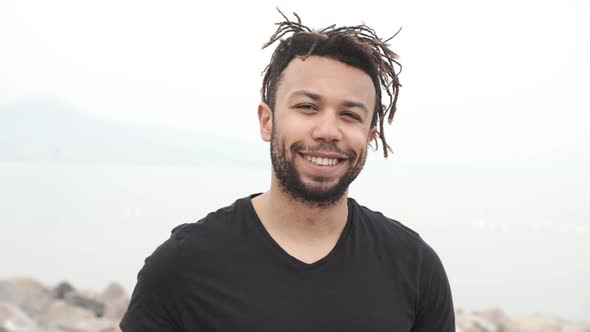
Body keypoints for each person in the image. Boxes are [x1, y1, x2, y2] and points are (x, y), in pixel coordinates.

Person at [120, 10, 455, 332]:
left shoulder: (414, 266)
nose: (328, 130)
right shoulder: (183, 266)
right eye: (307, 107)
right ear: (267, 121)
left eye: (350, 115)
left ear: (369, 136)